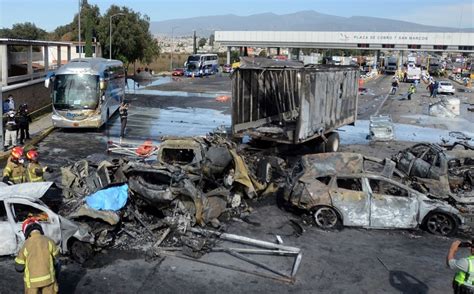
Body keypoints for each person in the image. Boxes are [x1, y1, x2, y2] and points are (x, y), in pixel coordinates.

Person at [15, 218, 60, 294]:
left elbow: (19, 267)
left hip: (32, 283)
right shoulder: (49, 241)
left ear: (26, 232)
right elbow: (56, 259)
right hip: (48, 279)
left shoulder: (26, 245)